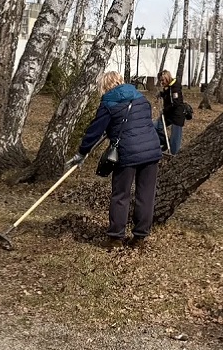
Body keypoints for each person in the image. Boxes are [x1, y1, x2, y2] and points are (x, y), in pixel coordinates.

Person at [67, 71, 163, 248]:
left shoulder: (108, 102)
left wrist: (81, 153)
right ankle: (140, 238)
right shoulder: (140, 98)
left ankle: (115, 238)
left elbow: (94, 130)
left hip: (128, 152)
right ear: (120, 81)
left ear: (104, 86)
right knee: (146, 195)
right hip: (151, 150)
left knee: (121, 194)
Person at [151, 69, 187, 155]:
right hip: (168, 115)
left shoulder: (175, 88)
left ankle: (174, 155)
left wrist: (164, 110)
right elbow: (168, 94)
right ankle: (165, 142)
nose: (161, 82)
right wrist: (162, 94)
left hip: (177, 116)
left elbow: (175, 103)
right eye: (160, 81)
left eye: (163, 80)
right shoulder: (169, 87)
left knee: (174, 145)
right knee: (154, 126)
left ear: (167, 78)